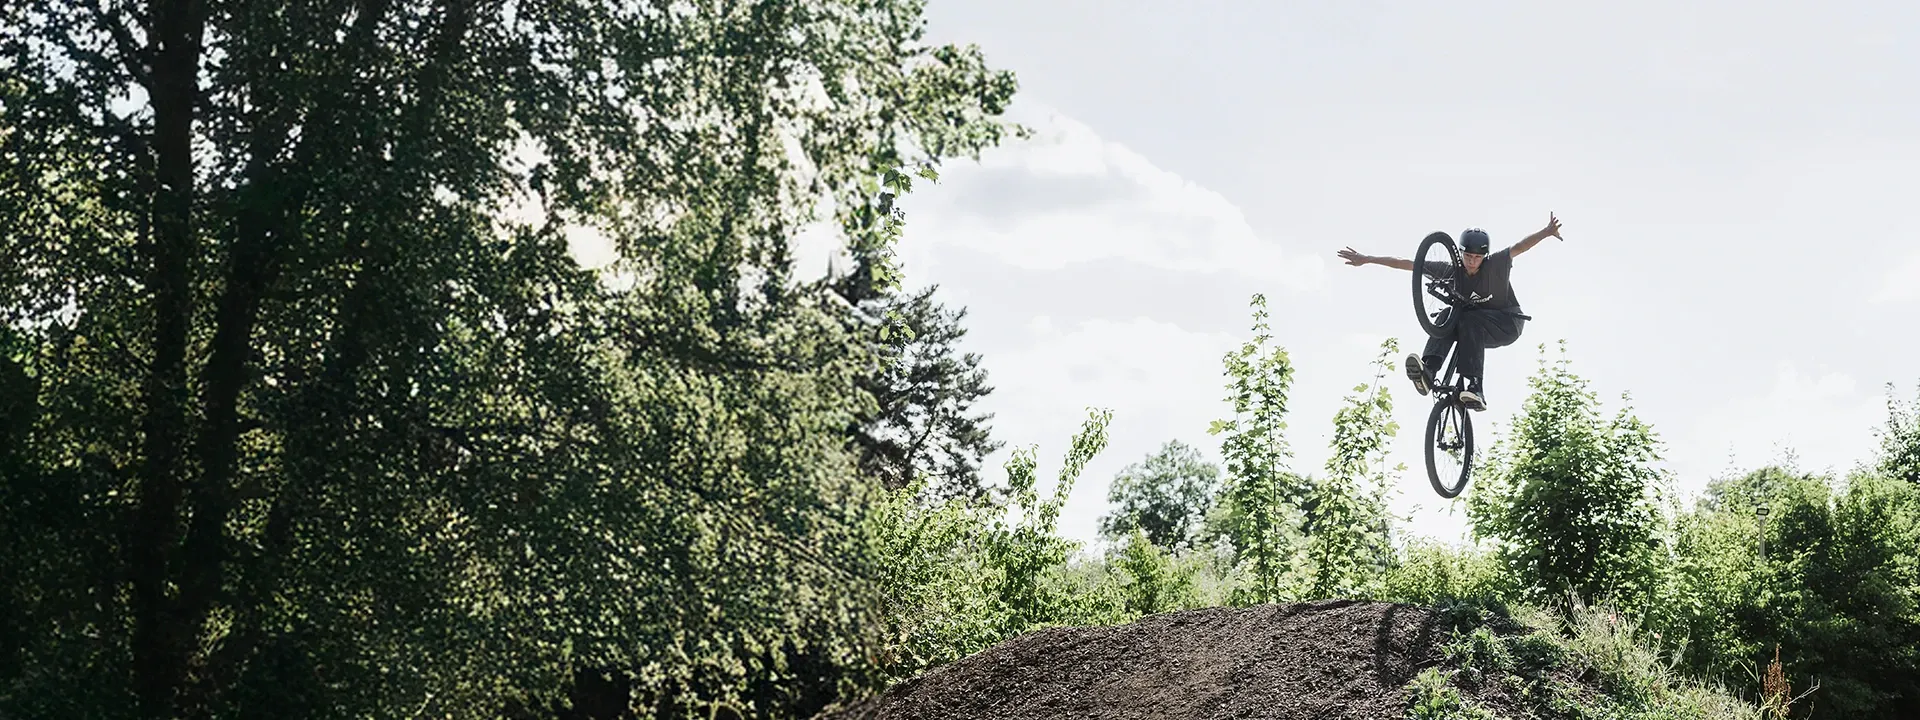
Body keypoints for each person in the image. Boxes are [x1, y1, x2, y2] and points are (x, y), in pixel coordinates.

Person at [1335, 213, 1564, 411]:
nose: (1472, 262)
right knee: (1447, 316)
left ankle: (1476, 387)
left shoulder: (1495, 265)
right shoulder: (1451, 271)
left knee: (1470, 318)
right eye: (1468, 256)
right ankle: (1429, 371)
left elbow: (1519, 247)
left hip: (1506, 323)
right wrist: (1367, 259)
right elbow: (1407, 263)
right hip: (1473, 327)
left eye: (1477, 258)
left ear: (1484, 256)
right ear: (1461, 253)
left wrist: (1546, 232)